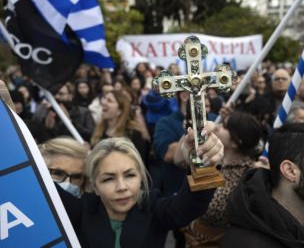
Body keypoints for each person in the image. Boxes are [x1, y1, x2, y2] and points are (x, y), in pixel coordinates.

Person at [57, 128, 223, 248]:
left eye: (130, 175)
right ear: (95, 186)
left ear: (141, 177)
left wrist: (204, 164)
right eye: (108, 179)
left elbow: (190, 206)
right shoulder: (81, 210)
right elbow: (38, 188)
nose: (121, 187)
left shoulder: (154, 208)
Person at [182, 112, 263, 247]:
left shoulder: (249, 176)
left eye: (224, 126)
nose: (217, 127)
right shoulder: (215, 161)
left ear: (236, 142)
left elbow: (211, 212)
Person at [91, 90, 150, 161]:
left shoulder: (134, 133)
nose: (103, 102)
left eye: (109, 101)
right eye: (104, 99)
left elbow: (138, 162)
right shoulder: (99, 131)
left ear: (120, 110)